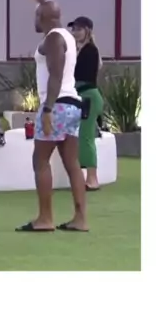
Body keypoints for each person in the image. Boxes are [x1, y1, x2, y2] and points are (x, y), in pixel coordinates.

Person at [15, 0, 88, 232]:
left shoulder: (53, 39)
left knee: (41, 160)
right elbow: (50, 12)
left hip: (56, 105)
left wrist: (46, 110)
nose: (34, 19)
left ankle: (45, 218)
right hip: (72, 105)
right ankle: (80, 218)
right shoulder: (65, 35)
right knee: (72, 163)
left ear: (44, 18)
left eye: (37, 15)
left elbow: (55, 74)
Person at [69, 16, 104, 191]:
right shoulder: (82, 50)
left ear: (87, 31)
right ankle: (88, 177)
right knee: (83, 136)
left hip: (88, 96)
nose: (75, 32)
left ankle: (92, 179)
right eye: (73, 29)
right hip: (85, 97)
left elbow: (81, 76)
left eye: (79, 29)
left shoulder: (89, 50)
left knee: (86, 137)